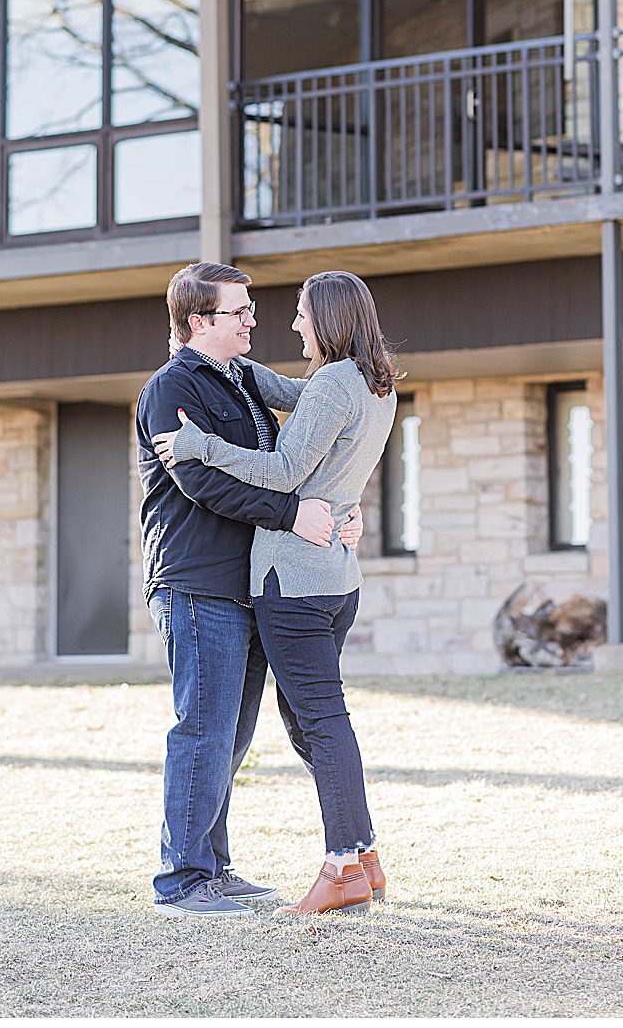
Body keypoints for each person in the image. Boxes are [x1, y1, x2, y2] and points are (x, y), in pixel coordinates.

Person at [153, 270, 399, 917]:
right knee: (218, 731)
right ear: (200, 321)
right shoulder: (175, 388)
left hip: (276, 581)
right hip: (223, 580)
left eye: (284, 312)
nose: (263, 323)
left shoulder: (287, 383)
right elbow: (207, 483)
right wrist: (299, 513)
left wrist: (339, 505)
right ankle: (187, 879)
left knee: (255, 733)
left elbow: (305, 454)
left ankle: (237, 866)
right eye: (240, 313)